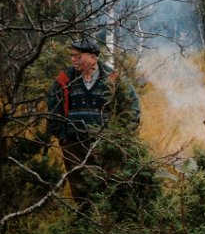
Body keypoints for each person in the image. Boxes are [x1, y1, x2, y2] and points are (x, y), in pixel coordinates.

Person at [46, 38, 141, 202]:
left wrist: (121, 136)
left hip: (105, 144)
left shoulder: (113, 79)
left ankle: (106, 222)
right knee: (80, 190)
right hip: (73, 145)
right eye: (72, 56)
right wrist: (63, 138)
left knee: (108, 187)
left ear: (93, 57)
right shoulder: (64, 79)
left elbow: (132, 107)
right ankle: (85, 221)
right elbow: (53, 109)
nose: (73, 59)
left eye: (77, 56)